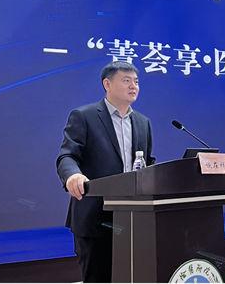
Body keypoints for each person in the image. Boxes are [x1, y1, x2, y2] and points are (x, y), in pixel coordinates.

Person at [56, 61, 155, 282]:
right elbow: (67, 156)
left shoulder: (143, 123)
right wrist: (73, 175)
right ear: (107, 84)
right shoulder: (84, 116)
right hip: (95, 217)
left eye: (136, 81)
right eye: (126, 80)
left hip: (134, 218)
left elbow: (146, 164)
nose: (133, 86)